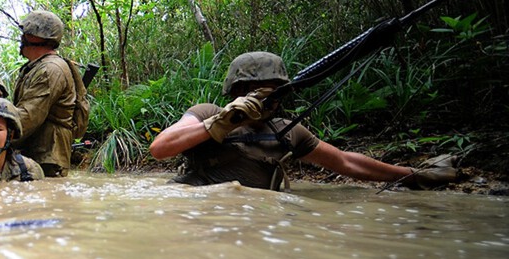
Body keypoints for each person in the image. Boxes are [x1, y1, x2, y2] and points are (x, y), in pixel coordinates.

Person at [149, 51, 459, 191]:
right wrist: (220, 122)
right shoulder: (205, 112)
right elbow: (160, 147)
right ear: (236, 90)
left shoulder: (288, 130)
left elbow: (347, 163)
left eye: (272, 91)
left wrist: (413, 175)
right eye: (253, 91)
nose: (264, 98)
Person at [12, 10, 77, 177]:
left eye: (26, 33)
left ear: (37, 37)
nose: (22, 37)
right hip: (40, 153)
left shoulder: (49, 70)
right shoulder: (38, 66)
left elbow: (27, 116)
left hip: (48, 158)